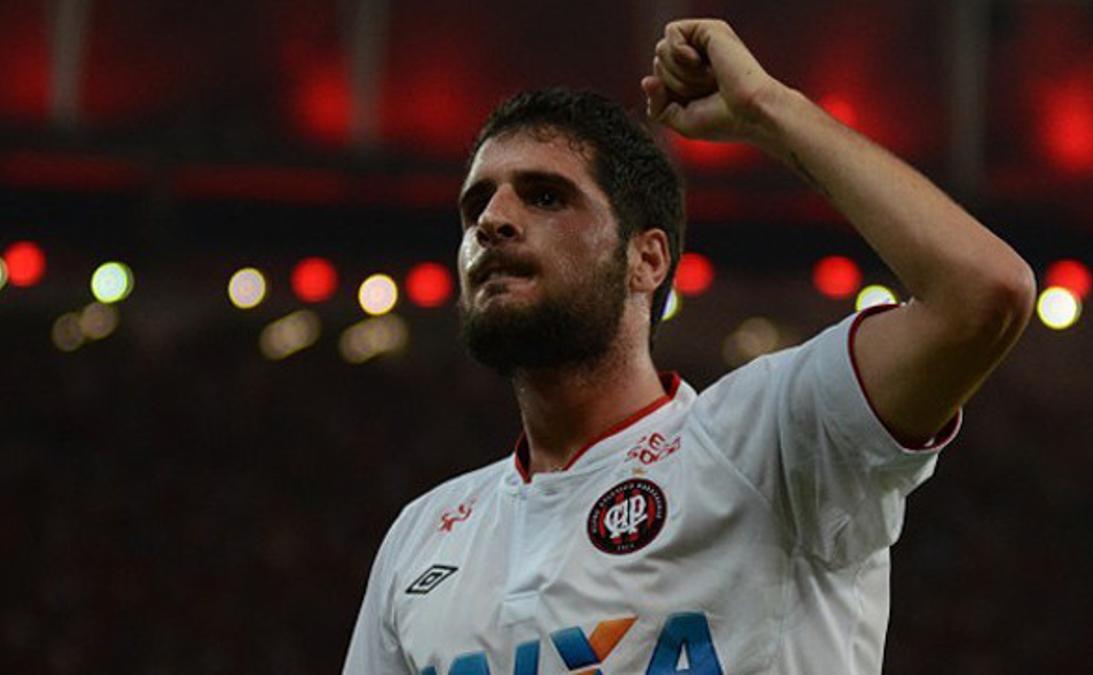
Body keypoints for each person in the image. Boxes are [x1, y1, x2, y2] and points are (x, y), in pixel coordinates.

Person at [344, 18, 1034, 675]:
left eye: (546, 196)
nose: (493, 221)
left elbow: (983, 293)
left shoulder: (768, 439)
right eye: (476, 206)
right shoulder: (422, 537)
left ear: (646, 259)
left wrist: (767, 108)